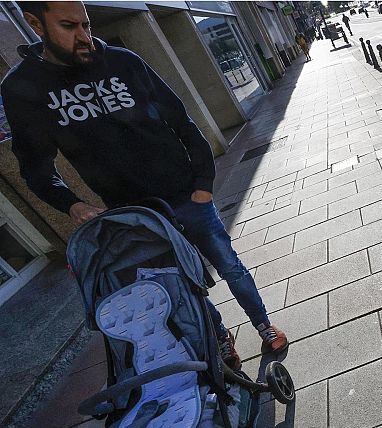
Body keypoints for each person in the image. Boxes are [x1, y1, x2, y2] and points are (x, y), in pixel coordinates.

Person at [1, 1, 289, 370]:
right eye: (70, 26)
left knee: (229, 266)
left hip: (187, 195)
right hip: (136, 216)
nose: (85, 36)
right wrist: (72, 204)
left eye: (86, 24)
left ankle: (263, 324)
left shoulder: (123, 62)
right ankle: (219, 335)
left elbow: (182, 121)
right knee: (183, 285)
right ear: (34, 24)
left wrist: (203, 184)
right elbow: (35, 168)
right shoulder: (24, 88)